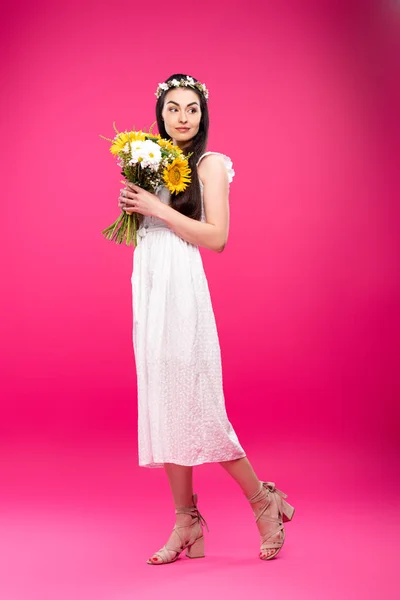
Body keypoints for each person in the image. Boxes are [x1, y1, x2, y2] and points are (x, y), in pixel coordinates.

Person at [118, 73, 295, 565]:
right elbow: (151, 227)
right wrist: (136, 208)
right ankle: (186, 523)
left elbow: (216, 237)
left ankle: (264, 501)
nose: (182, 117)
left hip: (183, 292)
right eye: (172, 108)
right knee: (164, 402)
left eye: (191, 109)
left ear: (203, 114)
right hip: (150, 287)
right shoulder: (151, 162)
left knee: (198, 405)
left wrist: (157, 207)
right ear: (161, 115)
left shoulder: (212, 164)